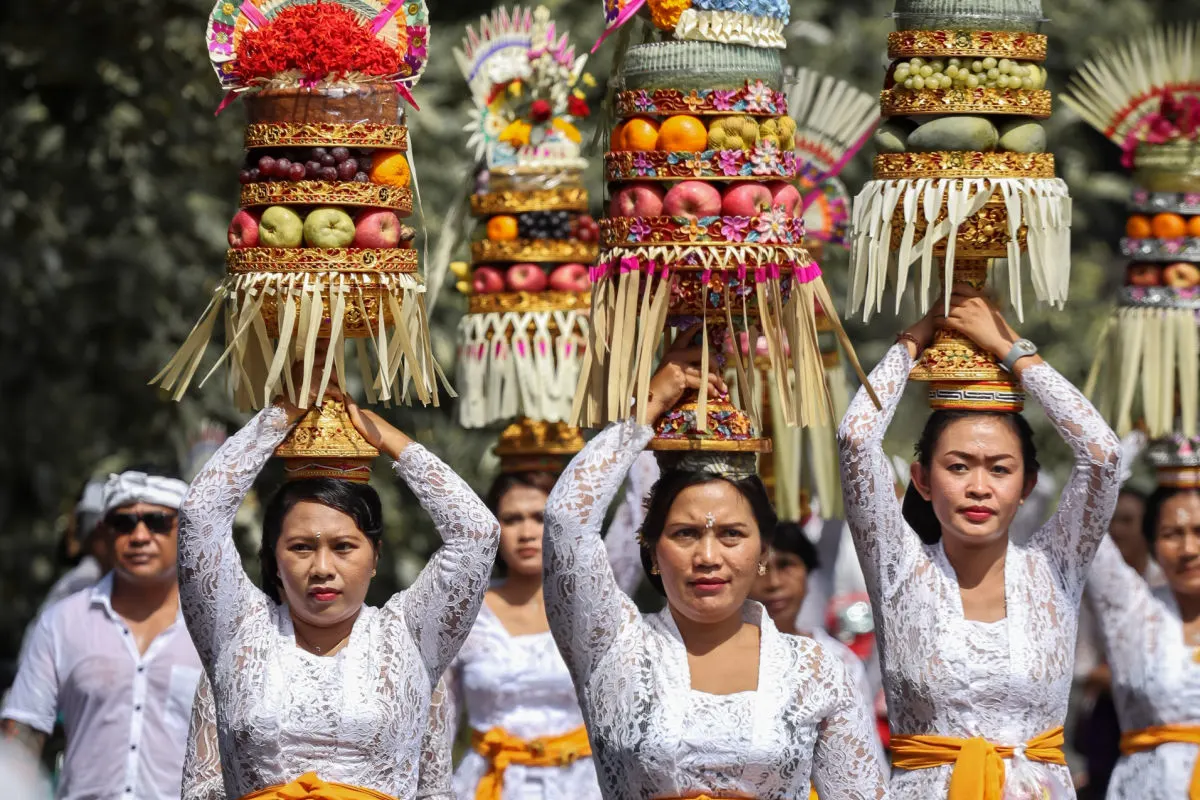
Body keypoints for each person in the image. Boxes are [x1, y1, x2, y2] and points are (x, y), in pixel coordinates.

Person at [540, 329, 889, 800]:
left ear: (762, 553)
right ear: (653, 552)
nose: (708, 557)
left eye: (731, 534)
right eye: (685, 534)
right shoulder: (614, 648)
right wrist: (645, 410)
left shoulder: (816, 669)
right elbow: (566, 520)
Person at [838, 286, 1122, 798]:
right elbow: (857, 438)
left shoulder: (1055, 568)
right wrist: (917, 336)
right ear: (923, 481)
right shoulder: (898, 569)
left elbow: (1102, 454)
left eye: (999, 469)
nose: (978, 487)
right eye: (958, 466)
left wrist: (1013, 348)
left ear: (1026, 486)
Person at [176, 385, 500, 799]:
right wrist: (280, 415)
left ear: (375, 555)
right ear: (273, 558)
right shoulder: (238, 632)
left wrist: (388, 439)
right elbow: (199, 515)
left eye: (343, 547)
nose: (322, 569)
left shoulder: (409, 636)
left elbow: (477, 533)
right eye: (301, 548)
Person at [417, 453, 653, 800]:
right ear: (494, 528)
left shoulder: (593, 602)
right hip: (487, 785)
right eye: (512, 519)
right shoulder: (462, 610)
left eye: (539, 518)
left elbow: (640, 509)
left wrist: (635, 422)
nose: (527, 532)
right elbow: (437, 723)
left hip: (582, 788)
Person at [3, 470, 202, 800]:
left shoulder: (214, 628)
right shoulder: (63, 621)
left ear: (183, 530)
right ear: (105, 533)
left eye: (156, 522)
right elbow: (22, 734)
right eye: (124, 523)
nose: (139, 535)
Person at [1082, 468, 1200, 799]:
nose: (1188, 548)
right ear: (1151, 543)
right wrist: (1115, 457)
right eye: (1172, 533)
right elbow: (1083, 522)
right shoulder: (1132, 610)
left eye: (1199, 530)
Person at [751, 520, 884, 758]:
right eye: (760, 569)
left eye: (786, 565)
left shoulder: (837, 660)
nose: (773, 583)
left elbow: (865, 751)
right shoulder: (721, 657)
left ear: (808, 572)